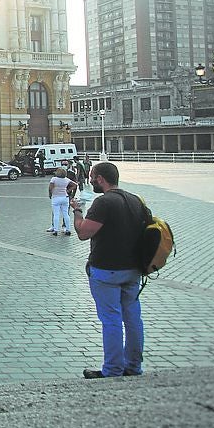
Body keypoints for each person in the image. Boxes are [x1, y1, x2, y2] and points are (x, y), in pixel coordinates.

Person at [70, 162, 148, 379]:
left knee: (111, 319)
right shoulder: (135, 200)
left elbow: (84, 233)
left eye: (93, 177)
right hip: (133, 270)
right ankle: (134, 366)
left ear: (101, 179)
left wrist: (77, 212)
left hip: (107, 271)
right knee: (133, 319)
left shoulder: (104, 203)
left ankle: (112, 369)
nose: (91, 180)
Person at [49, 167, 77, 236]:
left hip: (56, 197)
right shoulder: (66, 180)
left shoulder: (54, 179)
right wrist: (68, 190)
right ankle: (68, 229)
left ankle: (55, 230)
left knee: (56, 214)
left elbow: (50, 188)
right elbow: (75, 185)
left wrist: (50, 194)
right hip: (65, 197)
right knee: (66, 214)